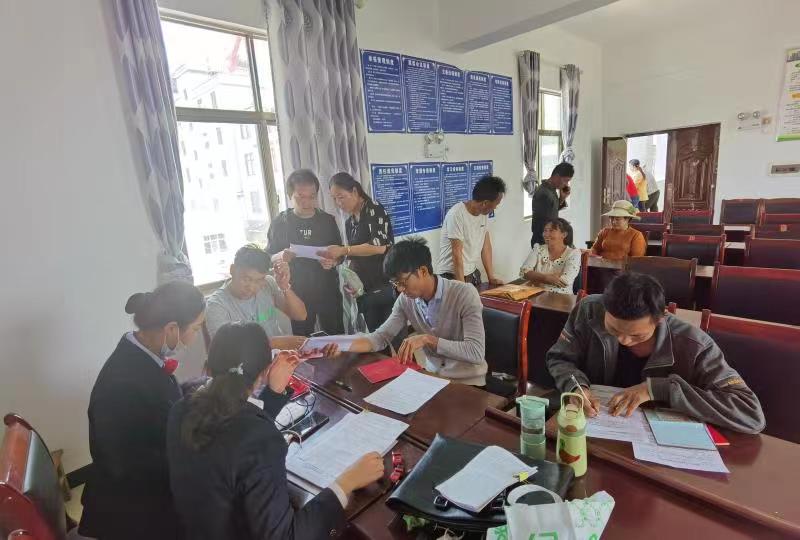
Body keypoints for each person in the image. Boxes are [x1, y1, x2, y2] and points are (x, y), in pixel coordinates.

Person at [167, 322, 384, 540]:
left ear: (209, 366)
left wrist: (273, 393)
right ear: (265, 370)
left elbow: (234, 433)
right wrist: (345, 484)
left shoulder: (180, 409)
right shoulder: (260, 439)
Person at [546, 273, 765, 433]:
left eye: (637, 335)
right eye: (613, 330)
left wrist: (661, 389)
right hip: (596, 432)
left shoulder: (694, 345)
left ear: (661, 319)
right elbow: (560, 358)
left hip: (658, 445)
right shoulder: (588, 310)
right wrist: (577, 388)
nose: (623, 340)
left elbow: (750, 413)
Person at [79, 281, 206, 540]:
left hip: (146, 482)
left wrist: (197, 391)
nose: (194, 338)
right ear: (171, 329)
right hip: (133, 508)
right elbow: (127, 466)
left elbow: (160, 403)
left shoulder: (141, 355)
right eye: (195, 329)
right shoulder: (121, 385)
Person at [349, 238, 488, 386]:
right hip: (433, 378)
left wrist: (427, 339)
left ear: (423, 271)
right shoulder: (405, 300)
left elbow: (476, 352)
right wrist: (342, 346)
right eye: (395, 283)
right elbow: (380, 337)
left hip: (468, 383)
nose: (400, 289)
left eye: (402, 282)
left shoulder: (464, 294)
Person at [267, 169, 344, 336]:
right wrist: (281, 256)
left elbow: (341, 253)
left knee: (335, 336)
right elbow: (268, 256)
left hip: (327, 289)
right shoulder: (280, 222)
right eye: (300, 197)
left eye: (312, 196)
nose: (307, 202)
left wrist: (333, 261)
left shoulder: (327, 220)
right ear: (290, 195)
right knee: (302, 339)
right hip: (297, 292)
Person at [325, 172, 395, 333]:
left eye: (341, 197)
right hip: (365, 290)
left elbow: (379, 246)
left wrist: (344, 250)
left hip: (385, 285)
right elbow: (355, 254)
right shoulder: (350, 222)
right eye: (334, 199)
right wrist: (348, 275)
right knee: (376, 338)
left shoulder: (373, 208)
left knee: (395, 337)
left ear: (355, 191)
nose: (338, 203)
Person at [206, 244, 308, 350]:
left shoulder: (268, 283)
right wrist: (274, 343)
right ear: (232, 270)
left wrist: (284, 286)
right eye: (246, 279)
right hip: (249, 360)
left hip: (281, 356)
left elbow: (301, 315)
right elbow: (226, 349)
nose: (252, 287)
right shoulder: (216, 305)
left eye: (259, 280)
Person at [438, 175, 506, 288]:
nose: (495, 208)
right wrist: (462, 288)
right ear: (485, 203)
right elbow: (456, 255)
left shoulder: (483, 214)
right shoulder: (457, 214)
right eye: (495, 205)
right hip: (451, 275)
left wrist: (491, 277)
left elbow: (486, 247)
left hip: (471, 273)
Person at [520, 218, 581, 295]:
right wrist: (547, 278)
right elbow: (523, 272)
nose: (546, 234)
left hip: (562, 298)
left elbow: (565, 281)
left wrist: (534, 277)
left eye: (551, 230)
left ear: (564, 234)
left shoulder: (574, 253)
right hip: (536, 295)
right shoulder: (538, 248)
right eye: (545, 230)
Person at [530, 162, 574, 247]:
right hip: (543, 241)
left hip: (549, 238)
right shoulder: (544, 194)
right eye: (566, 180)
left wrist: (562, 198)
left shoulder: (551, 190)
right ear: (556, 176)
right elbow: (543, 224)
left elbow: (551, 210)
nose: (566, 184)